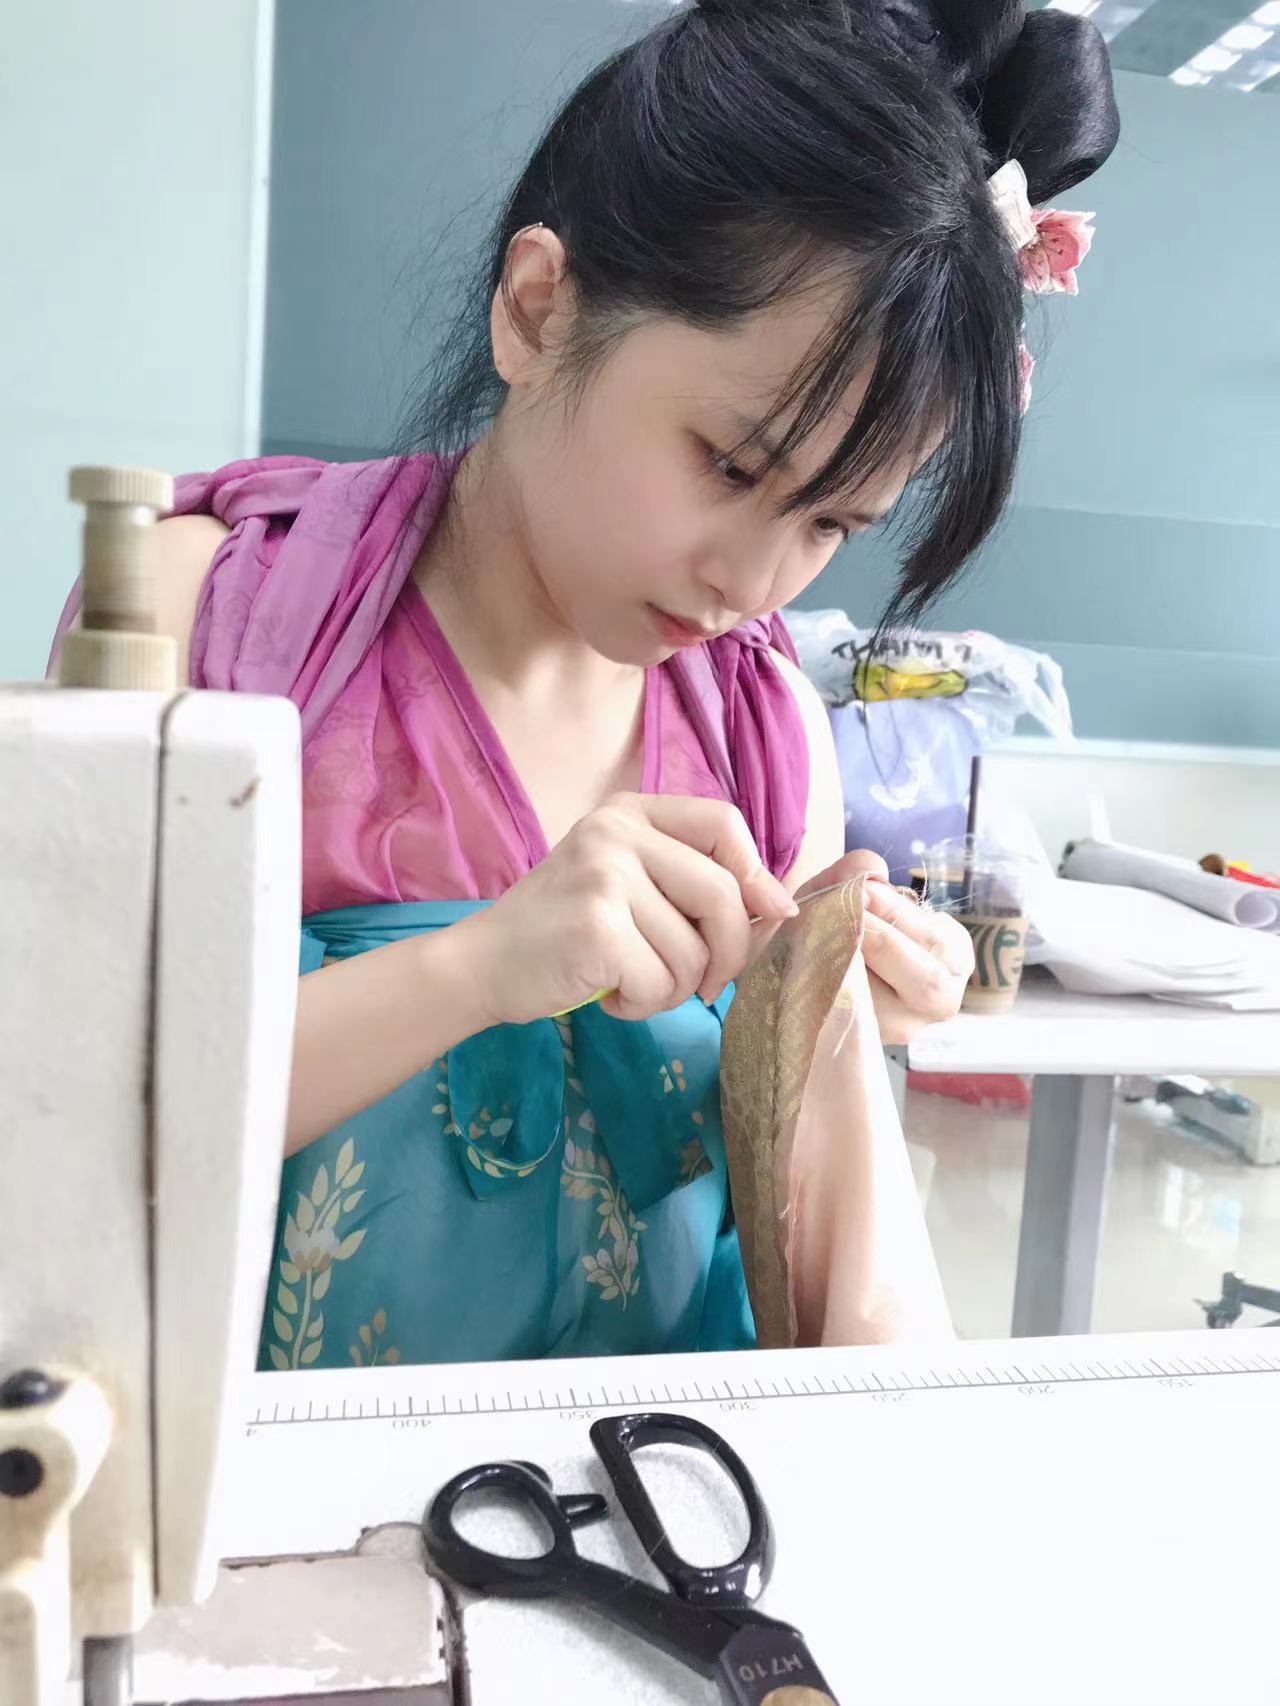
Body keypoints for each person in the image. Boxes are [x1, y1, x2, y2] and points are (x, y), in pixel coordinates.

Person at [53, 0, 1118, 1368]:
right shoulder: (213, 616)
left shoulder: (763, 729)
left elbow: (798, 1238)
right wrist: (478, 967)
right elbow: (65, 1120)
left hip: (661, 1476)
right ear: (537, 309)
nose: (753, 581)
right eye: (731, 465)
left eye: (830, 524)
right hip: (262, 1478)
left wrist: (826, 1004)